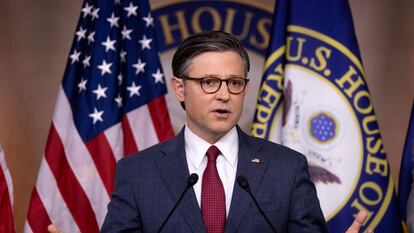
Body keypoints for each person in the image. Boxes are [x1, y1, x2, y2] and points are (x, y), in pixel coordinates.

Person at [48, 31, 373, 233]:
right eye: (208, 82)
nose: (223, 94)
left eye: (234, 83)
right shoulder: (138, 172)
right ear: (179, 88)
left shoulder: (287, 168)